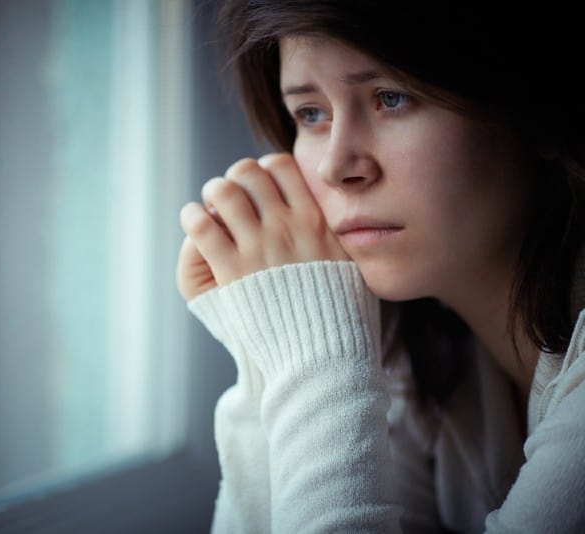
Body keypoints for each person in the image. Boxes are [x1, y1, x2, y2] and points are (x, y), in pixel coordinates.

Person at [175, 1, 585, 532]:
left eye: (391, 98)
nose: (337, 166)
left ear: (537, 110)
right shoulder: (419, 358)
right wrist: (267, 352)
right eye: (311, 114)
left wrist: (314, 358)